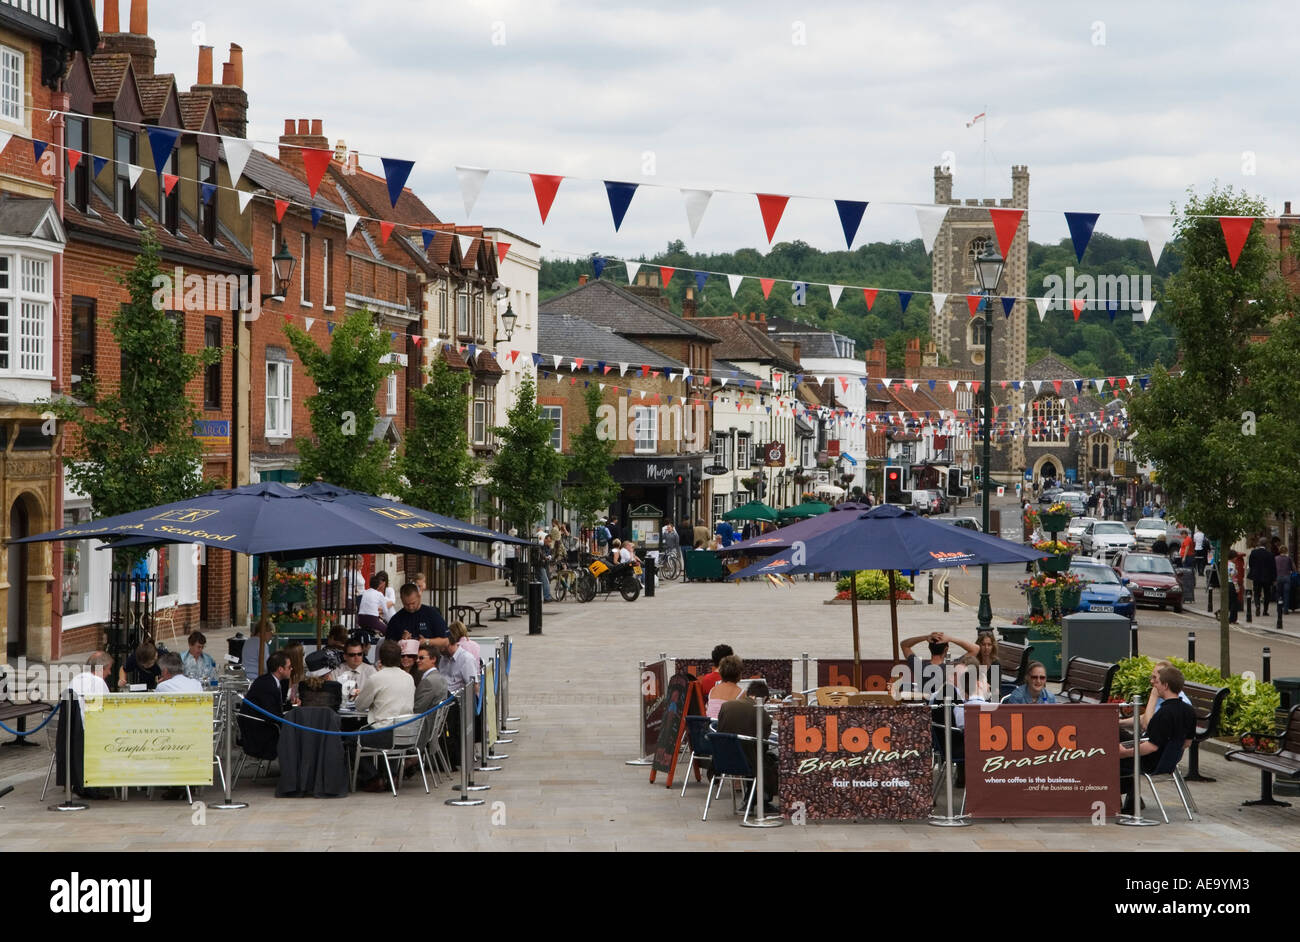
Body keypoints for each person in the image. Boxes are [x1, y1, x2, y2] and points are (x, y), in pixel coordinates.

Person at [1117, 666, 1197, 810]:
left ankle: (1120, 802)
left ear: (1165, 686)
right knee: (1120, 738)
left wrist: (1124, 752)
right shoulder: (1189, 711)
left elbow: (1151, 747)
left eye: (1157, 681)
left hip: (1151, 762)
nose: (1154, 684)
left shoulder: (1163, 714)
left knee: (1110, 759)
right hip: (1169, 762)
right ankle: (1132, 799)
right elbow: (1187, 743)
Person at [354, 640, 417, 791]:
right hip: (407, 734)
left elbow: (360, 705)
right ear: (399, 658)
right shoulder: (409, 678)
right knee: (389, 727)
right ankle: (392, 775)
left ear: (381, 658)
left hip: (384, 734)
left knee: (351, 739)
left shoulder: (376, 678)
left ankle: (372, 777)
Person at [716, 679, 777, 811]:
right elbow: (762, 748)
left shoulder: (726, 706)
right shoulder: (763, 715)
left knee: (755, 758)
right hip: (747, 764)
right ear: (764, 698)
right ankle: (759, 802)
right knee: (771, 762)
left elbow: (720, 731)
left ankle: (749, 801)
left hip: (722, 761)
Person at [239, 650, 293, 762]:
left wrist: (290, 706)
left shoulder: (268, 681)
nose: (291, 669)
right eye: (289, 667)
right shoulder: (267, 685)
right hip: (259, 733)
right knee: (296, 733)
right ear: (280, 669)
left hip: (259, 726)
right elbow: (272, 714)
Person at [438, 632, 482, 770]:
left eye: (442, 647)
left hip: (458, 701)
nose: (440, 650)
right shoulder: (443, 658)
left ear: (450, 643)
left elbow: (473, 685)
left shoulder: (465, 658)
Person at [385, 582, 450, 646]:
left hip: (428, 654)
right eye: (406, 604)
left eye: (413, 603)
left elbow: (446, 641)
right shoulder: (396, 619)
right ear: (401, 600)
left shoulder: (431, 614)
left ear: (419, 597)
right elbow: (387, 646)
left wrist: (427, 642)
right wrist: (402, 642)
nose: (410, 607)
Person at [706, 655, 743, 720]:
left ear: (721, 672)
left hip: (711, 728)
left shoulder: (712, 690)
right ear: (739, 674)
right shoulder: (741, 693)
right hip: (727, 729)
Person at [357, 573, 391, 641]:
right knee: (387, 631)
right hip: (372, 620)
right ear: (379, 585)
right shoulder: (379, 594)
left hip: (360, 619)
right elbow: (385, 611)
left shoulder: (365, 592)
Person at [1248, 538, 1276, 617]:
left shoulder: (1254, 553)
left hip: (1256, 577)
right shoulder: (1270, 554)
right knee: (1267, 594)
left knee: (1256, 593)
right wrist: (1274, 578)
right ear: (1266, 545)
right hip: (1267, 578)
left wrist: (1253, 572)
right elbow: (1273, 567)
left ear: (1259, 544)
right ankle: (1265, 611)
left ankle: (1257, 605)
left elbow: (1251, 564)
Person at [1277, 545, 1294, 616]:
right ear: (1286, 551)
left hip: (1278, 577)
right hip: (1287, 577)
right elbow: (1293, 568)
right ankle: (1285, 610)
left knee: (1279, 594)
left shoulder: (1276, 558)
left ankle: (1279, 609)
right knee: (1286, 594)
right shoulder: (1288, 558)